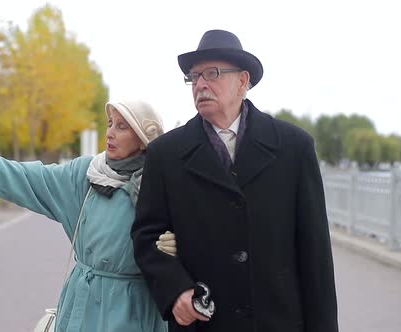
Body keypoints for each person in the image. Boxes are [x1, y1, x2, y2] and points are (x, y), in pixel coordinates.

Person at [131, 29, 339, 332]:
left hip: (277, 322)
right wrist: (175, 290)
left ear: (243, 81)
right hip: (204, 322)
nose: (200, 84)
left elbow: (315, 254)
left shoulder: (294, 147)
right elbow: (146, 236)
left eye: (211, 73)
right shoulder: (165, 154)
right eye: (194, 76)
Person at [0, 99, 168, 332]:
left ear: (144, 140)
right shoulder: (84, 176)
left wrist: (180, 247)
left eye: (122, 127)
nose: (110, 132)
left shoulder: (163, 185)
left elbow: (199, 229)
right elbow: (25, 176)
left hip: (132, 313)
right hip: (80, 308)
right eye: (110, 123)